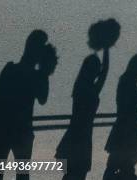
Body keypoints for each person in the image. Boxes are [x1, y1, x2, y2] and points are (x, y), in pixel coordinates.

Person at [0, 30, 57, 180]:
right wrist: (45, 71)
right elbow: (43, 99)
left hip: (4, 128)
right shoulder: (36, 76)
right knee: (22, 175)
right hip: (23, 131)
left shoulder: (11, 69)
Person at [56, 49, 109, 180]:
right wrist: (106, 47)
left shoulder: (81, 86)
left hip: (76, 137)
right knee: (77, 175)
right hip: (81, 138)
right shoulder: (89, 88)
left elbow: (104, 72)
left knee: (72, 175)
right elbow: (104, 72)